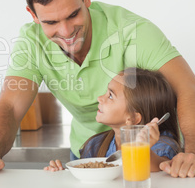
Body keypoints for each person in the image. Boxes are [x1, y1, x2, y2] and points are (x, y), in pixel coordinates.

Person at [0, 0, 195, 177]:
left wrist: (192, 155)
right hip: (89, 151)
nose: (66, 32)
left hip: (150, 154)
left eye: (73, 15)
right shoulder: (31, 42)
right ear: (33, 15)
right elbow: (10, 107)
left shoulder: (131, 31)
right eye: (51, 22)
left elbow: (188, 88)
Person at [44, 68, 183, 172]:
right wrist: (62, 174)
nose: (100, 98)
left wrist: (143, 151)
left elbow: (161, 168)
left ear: (133, 118)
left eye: (110, 95)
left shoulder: (163, 146)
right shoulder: (95, 145)